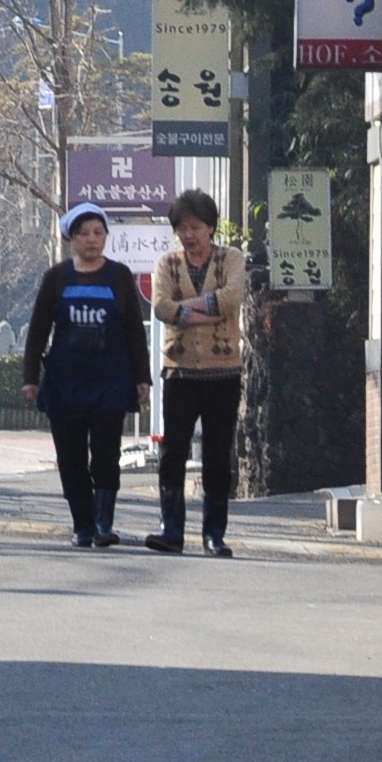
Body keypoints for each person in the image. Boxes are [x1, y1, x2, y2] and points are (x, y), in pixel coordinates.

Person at [20, 202, 149, 548]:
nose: (92, 240)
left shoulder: (120, 276)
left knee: (106, 454)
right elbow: (38, 330)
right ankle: (82, 524)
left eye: (98, 233)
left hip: (110, 382)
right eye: (84, 234)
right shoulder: (57, 278)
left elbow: (135, 331)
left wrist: (142, 378)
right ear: (72, 238)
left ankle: (104, 523)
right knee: (71, 457)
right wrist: (30, 377)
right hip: (66, 382)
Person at [145, 188, 249, 556]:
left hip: (223, 371)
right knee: (173, 451)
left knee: (218, 453)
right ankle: (171, 528)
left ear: (211, 227)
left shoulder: (230, 258)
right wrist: (206, 310)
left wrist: (183, 309)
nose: (189, 235)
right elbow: (160, 305)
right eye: (182, 228)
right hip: (179, 371)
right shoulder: (167, 264)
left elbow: (232, 297)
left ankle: (213, 533)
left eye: (196, 227)